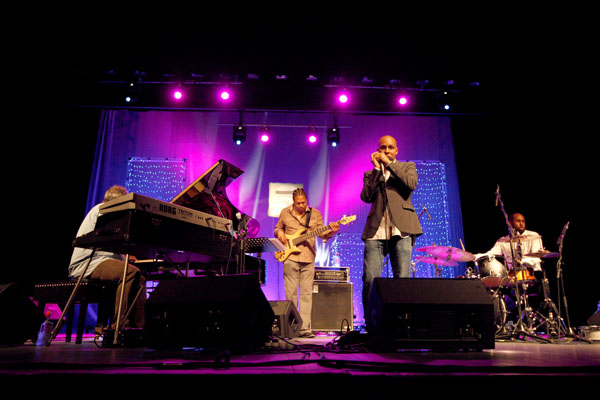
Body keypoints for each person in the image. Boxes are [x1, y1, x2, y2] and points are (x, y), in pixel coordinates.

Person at [361, 135, 423, 320]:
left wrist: (389, 164)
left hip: (401, 229)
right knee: (370, 279)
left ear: (396, 150)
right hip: (376, 230)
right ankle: (372, 323)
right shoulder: (371, 173)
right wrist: (376, 169)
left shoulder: (407, 167)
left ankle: (401, 323)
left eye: (390, 147)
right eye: (383, 147)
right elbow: (366, 197)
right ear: (378, 150)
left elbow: (411, 184)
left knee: (402, 278)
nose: (386, 150)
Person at [69, 185, 146, 332]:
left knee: (140, 279)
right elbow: (106, 243)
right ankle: (120, 327)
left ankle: (137, 328)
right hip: (89, 263)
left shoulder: (109, 212)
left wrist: (124, 257)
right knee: (130, 273)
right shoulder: (103, 210)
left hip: (101, 260)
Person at [274, 188, 339, 338]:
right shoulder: (285, 212)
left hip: (308, 258)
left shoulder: (315, 214)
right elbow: (277, 228)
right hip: (290, 257)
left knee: (306, 295)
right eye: (298, 203)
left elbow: (322, 233)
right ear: (293, 202)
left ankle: (304, 329)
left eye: (303, 202)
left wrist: (332, 231)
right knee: (291, 295)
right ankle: (290, 328)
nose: (301, 205)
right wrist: (280, 233)